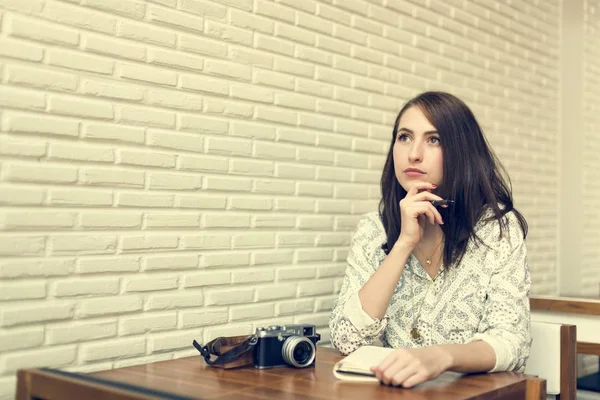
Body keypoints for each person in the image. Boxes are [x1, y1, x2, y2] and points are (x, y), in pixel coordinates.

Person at [329, 91, 531, 388]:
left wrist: (440, 357)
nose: (414, 154)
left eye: (433, 139)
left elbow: (511, 342)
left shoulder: (496, 228)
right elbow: (348, 338)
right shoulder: (374, 230)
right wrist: (403, 244)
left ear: (461, 151)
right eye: (404, 137)